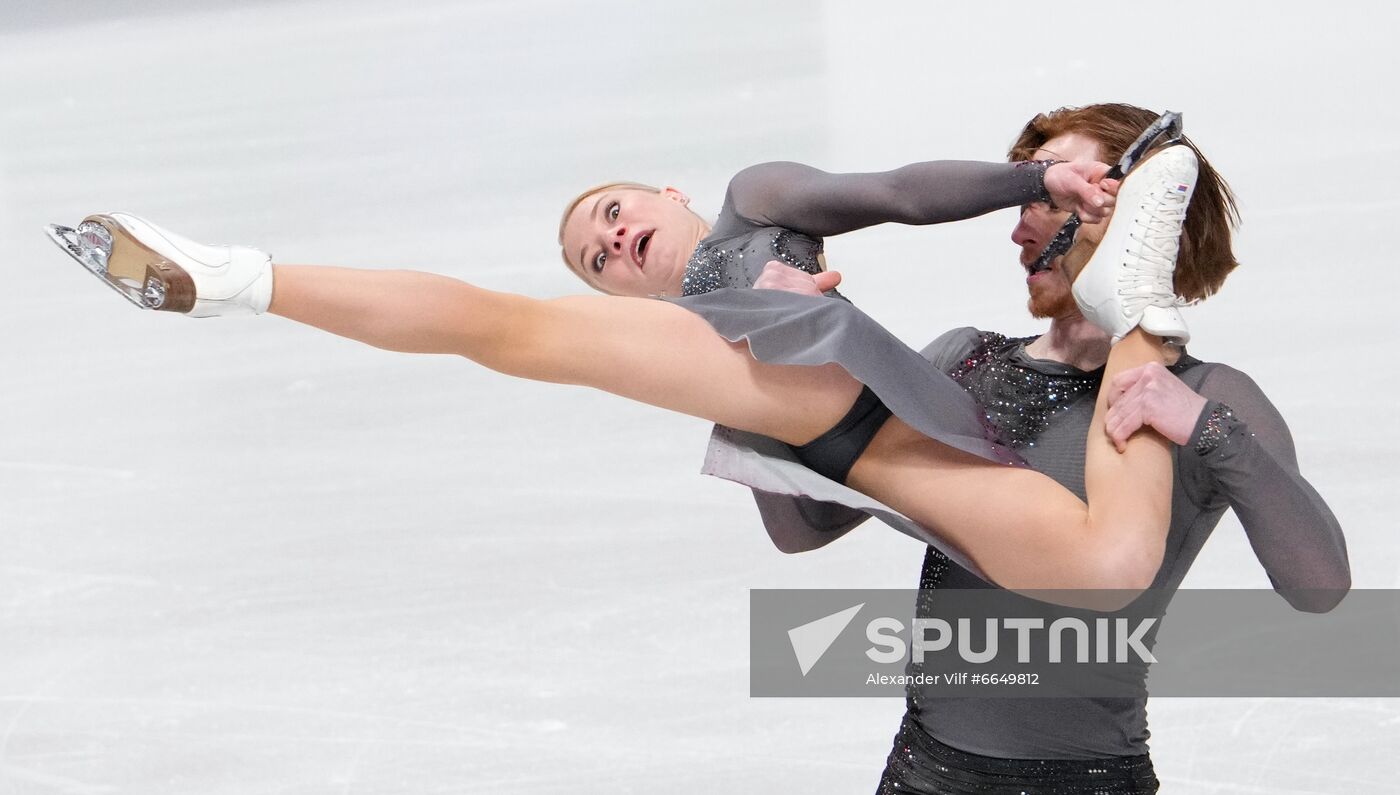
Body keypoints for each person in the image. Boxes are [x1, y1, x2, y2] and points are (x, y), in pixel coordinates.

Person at [48, 146, 1194, 607]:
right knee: (508, 332)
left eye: (610, 214)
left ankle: (1131, 312)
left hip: (886, 435)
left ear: (664, 192)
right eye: (594, 258)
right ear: (623, 299)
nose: (609, 240)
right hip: (819, 419)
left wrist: (1022, 179)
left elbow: (892, 193)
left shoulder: (759, 208)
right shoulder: (692, 327)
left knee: (1109, 567)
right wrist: (768, 400)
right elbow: (796, 531)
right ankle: (242, 278)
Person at [713, 104, 1350, 793]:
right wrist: (763, 357)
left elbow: (1320, 588)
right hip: (922, 776)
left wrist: (1210, 429)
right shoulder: (965, 361)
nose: (1018, 228)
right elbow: (805, 526)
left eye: (1049, 197)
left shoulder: (1211, 393)